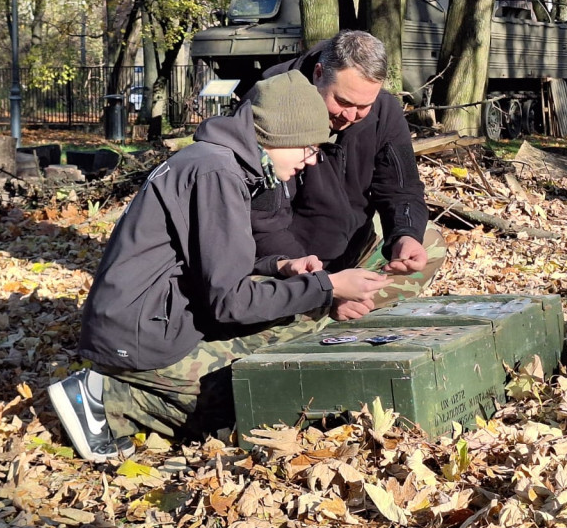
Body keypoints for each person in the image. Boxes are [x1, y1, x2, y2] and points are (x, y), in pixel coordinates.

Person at [48, 70, 388, 462]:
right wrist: (328, 286)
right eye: (308, 147)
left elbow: (216, 264)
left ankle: (122, 397)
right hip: (139, 334)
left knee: (284, 335)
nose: (311, 161)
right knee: (239, 401)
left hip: (146, 318)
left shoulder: (217, 161)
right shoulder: (218, 172)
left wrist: (280, 266)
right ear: (280, 134)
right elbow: (231, 301)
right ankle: (103, 399)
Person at [250, 29, 446, 322]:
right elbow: (261, 223)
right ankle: (317, 308)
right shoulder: (271, 101)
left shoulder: (385, 108)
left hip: (353, 251)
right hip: (292, 264)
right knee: (261, 290)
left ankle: (335, 306)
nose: (351, 116)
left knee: (428, 244)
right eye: (342, 102)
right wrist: (326, 288)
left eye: (363, 106)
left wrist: (404, 235)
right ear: (319, 73)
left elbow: (402, 188)